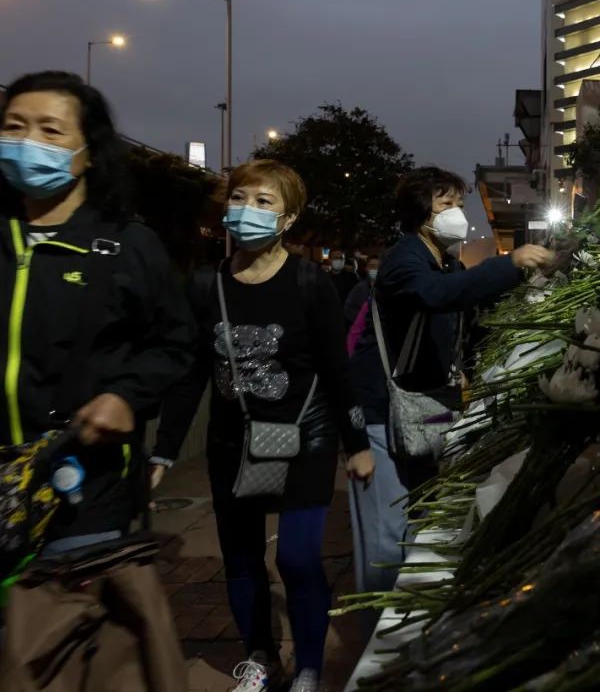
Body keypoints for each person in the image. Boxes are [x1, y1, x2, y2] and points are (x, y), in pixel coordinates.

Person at [151, 160, 375, 692]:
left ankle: (310, 667)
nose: (246, 210)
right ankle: (260, 655)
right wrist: (162, 453)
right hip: (233, 439)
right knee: (242, 558)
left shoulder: (308, 280)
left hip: (307, 436)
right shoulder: (208, 286)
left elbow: (335, 368)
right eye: (239, 198)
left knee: (298, 557)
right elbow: (190, 375)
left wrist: (357, 444)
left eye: (264, 202)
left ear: (289, 217)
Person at [0, 71, 195, 557]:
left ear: (89, 150)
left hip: (84, 489)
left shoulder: (127, 246)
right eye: (14, 127)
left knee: (56, 628)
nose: (29, 143)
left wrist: (126, 397)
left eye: (50, 130)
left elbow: (175, 342)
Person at [346, 166, 551, 595]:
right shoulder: (405, 259)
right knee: (387, 536)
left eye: (459, 204)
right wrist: (509, 264)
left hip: (427, 408)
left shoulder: (446, 260)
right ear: (420, 213)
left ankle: (407, 617)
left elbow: (465, 314)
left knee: (421, 516)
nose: (456, 213)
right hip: (384, 414)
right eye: (445, 204)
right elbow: (440, 295)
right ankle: (378, 638)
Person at [343, 254, 379, 326]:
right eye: (372, 266)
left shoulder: (388, 289)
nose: (375, 269)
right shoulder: (359, 289)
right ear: (366, 268)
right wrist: (364, 320)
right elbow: (349, 309)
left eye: (378, 267)